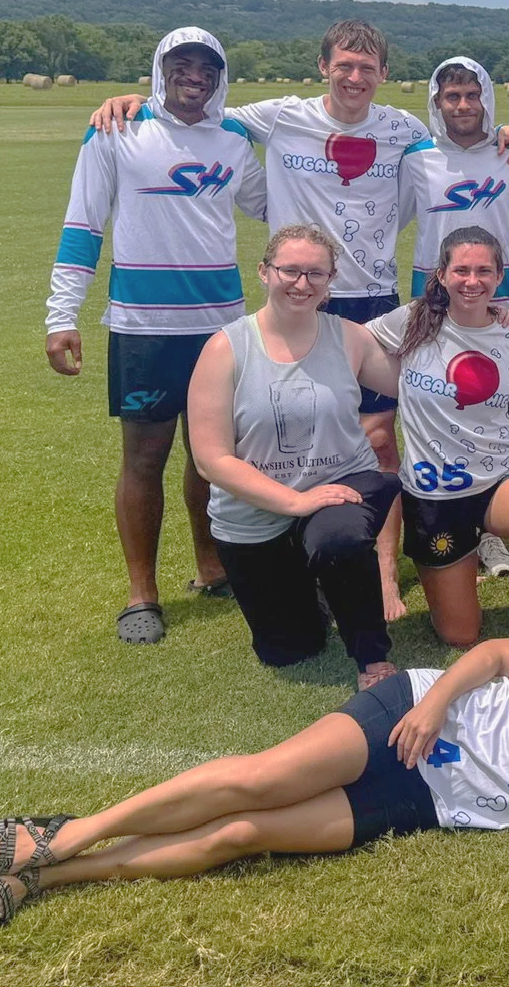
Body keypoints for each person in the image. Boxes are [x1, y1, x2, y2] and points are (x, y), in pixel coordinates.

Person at [90, 20, 509, 617]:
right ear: (323, 67)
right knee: (294, 428)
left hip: (370, 296)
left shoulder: (403, 130)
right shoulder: (279, 116)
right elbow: (198, 112)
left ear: (383, 74)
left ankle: (382, 572)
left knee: (378, 438)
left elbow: (458, 144)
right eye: (343, 65)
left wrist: (505, 131)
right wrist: (140, 101)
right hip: (300, 293)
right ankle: (295, 551)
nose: (354, 77)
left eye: (367, 68)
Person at [0, 610, 509, 926]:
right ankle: (71, 832)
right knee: (257, 779)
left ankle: (53, 877)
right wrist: (433, 703)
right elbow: (493, 654)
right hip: (411, 721)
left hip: (426, 803)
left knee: (240, 836)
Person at [44, 26, 266, 645]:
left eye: (207, 68)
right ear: (161, 69)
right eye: (182, 64)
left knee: (211, 456)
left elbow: (276, 203)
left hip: (220, 326)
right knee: (144, 458)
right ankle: (142, 593)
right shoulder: (116, 129)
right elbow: (83, 225)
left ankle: (212, 566)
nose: (195, 77)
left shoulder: (234, 138)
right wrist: (62, 316)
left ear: (220, 77)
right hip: (143, 326)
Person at [185, 225, 403, 690]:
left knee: (340, 539)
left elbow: (414, 382)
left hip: (342, 484)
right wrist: (295, 502)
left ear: (331, 280)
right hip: (255, 513)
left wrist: (471, 323)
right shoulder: (225, 348)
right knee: (290, 649)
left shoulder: (348, 337)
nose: (302, 284)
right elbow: (210, 459)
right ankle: (313, 589)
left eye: (316, 273)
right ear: (264, 272)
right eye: (290, 271)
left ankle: (371, 658)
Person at [366, 227, 509, 648]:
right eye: (461, 270)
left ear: (499, 276)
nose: (472, 281)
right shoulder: (411, 320)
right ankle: (462, 559)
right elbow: (354, 345)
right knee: (460, 634)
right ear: (442, 275)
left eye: (483, 271)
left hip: (499, 472)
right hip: (434, 491)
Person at [401, 56, 509, 303]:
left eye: (473, 95)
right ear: (437, 101)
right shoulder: (415, 159)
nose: (464, 105)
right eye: (453, 96)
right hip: (433, 303)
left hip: (501, 303)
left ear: (486, 98)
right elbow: (388, 224)